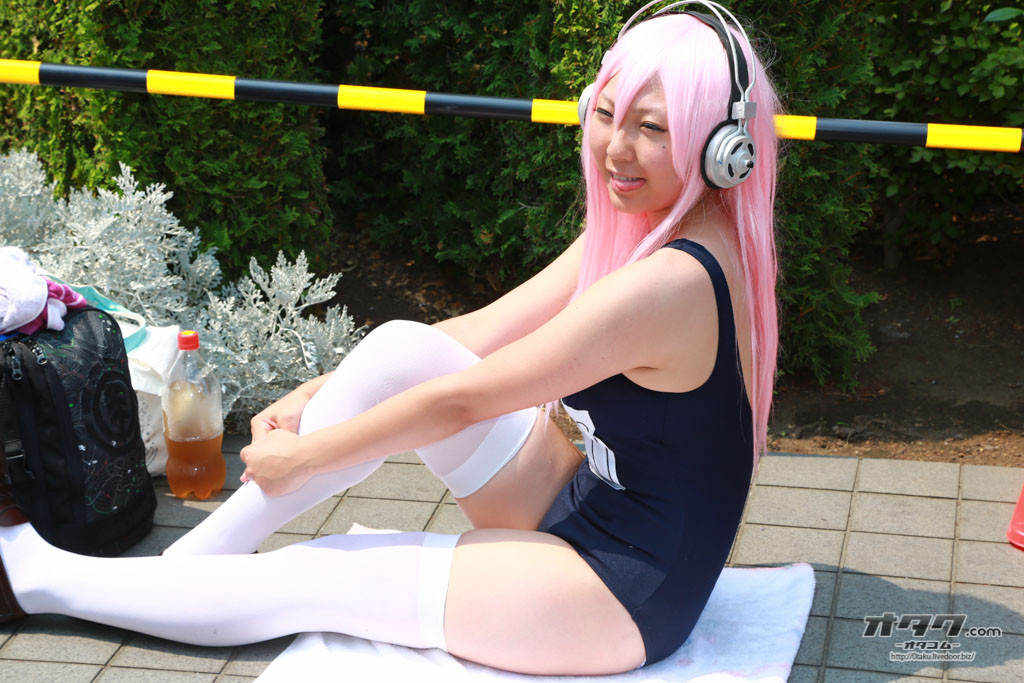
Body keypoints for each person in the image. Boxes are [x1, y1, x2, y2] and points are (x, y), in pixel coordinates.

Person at [0, 3, 779, 675]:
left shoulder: (671, 282)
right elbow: (475, 336)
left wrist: (308, 454)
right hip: (580, 501)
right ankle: (185, 571)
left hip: (622, 590)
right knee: (404, 345)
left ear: (723, 147)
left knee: (320, 574)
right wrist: (319, 391)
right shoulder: (647, 229)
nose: (615, 148)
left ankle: (32, 579)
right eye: (606, 114)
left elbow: (466, 399)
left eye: (652, 128)